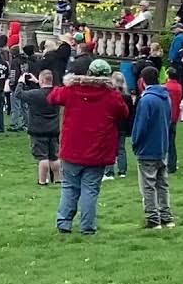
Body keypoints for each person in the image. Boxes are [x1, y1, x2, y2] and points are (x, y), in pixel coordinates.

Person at [46, 59, 129, 235]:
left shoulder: (72, 90)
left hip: (72, 148)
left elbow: (53, 97)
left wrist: (71, 81)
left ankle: (64, 222)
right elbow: (124, 112)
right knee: (90, 190)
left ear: (89, 73)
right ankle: (87, 226)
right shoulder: (111, 96)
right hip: (98, 151)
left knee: (69, 187)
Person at [132, 66, 174, 229]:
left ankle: (152, 218)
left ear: (142, 81)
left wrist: (136, 143)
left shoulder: (146, 100)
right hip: (162, 146)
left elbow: (140, 125)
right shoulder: (166, 97)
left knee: (148, 185)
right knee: (162, 183)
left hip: (148, 148)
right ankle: (166, 215)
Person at [19, 70, 61, 185]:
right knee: (54, 156)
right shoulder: (57, 93)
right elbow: (46, 90)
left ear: (42, 80)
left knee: (42, 157)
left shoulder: (35, 94)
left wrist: (21, 82)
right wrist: (38, 82)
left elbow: (19, 94)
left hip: (38, 130)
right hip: (53, 129)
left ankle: (42, 181)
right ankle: (58, 179)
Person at [163, 68, 183, 173]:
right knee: (172, 142)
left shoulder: (166, 87)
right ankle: (173, 164)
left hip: (166, 117)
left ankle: (165, 163)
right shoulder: (179, 87)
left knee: (164, 142)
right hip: (175, 116)